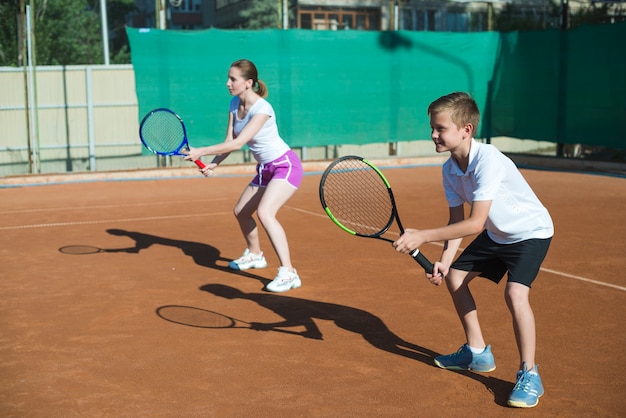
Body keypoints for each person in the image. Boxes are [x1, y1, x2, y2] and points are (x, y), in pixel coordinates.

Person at [392, 92, 553, 408]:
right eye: (432, 128)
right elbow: (457, 221)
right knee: (454, 278)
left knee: (515, 295)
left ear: (466, 130)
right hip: (497, 232)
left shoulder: (488, 160)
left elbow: (475, 223)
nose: (433, 135)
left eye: (440, 128)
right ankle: (477, 353)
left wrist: (423, 235)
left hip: (530, 232)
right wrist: (444, 260)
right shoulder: (449, 169)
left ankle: (530, 373)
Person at [184, 59, 303, 293]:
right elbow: (229, 141)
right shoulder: (233, 103)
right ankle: (255, 255)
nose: (227, 83)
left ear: (248, 83)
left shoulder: (263, 109)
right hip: (265, 169)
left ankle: (289, 272)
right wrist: (213, 164)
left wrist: (201, 151)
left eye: (233, 79)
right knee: (241, 212)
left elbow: (240, 143)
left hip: (285, 166)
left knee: (266, 213)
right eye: (228, 78)